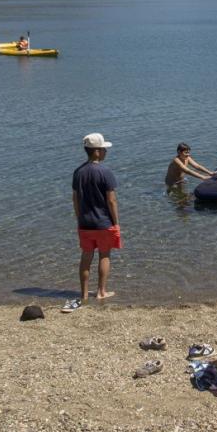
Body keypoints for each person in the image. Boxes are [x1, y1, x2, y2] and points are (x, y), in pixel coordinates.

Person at [65, 133, 120, 313]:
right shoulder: (105, 172)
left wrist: (79, 218)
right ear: (96, 151)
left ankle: (84, 294)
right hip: (103, 222)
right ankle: (101, 292)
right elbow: (111, 200)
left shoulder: (78, 172)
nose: (105, 152)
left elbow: (75, 199)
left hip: (85, 222)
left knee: (86, 256)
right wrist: (116, 223)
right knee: (104, 255)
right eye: (103, 149)